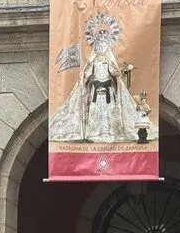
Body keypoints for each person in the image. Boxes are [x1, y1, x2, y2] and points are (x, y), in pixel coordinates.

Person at [50, 13, 158, 144]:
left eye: (104, 41)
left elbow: (113, 71)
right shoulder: (93, 60)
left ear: (107, 45)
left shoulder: (109, 60)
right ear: (96, 44)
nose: (101, 44)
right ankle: (94, 133)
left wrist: (118, 74)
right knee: (95, 111)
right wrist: (84, 77)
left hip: (108, 89)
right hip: (96, 89)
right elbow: (88, 71)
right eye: (99, 40)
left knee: (109, 111)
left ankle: (110, 132)